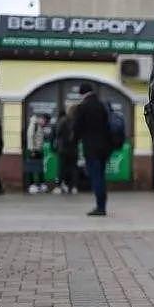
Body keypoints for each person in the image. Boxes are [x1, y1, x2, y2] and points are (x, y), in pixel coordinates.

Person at [73, 82, 112, 216]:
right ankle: (102, 205)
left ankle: (100, 207)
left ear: (82, 93)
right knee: (101, 176)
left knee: (96, 177)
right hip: (104, 148)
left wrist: (74, 142)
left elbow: (77, 128)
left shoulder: (83, 107)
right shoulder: (101, 105)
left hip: (91, 148)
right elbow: (107, 126)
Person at [52, 107, 79, 194]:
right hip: (74, 149)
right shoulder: (76, 121)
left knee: (61, 168)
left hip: (63, 148)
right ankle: (73, 187)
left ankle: (59, 187)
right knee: (73, 168)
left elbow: (57, 133)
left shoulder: (63, 120)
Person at [26, 113, 50, 194]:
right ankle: (32, 185)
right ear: (42, 118)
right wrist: (32, 150)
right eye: (45, 122)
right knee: (32, 168)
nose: (45, 124)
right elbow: (30, 137)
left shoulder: (39, 126)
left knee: (40, 168)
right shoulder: (34, 124)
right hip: (33, 150)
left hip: (39, 150)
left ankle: (40, 185)